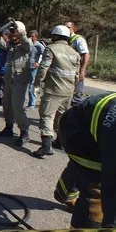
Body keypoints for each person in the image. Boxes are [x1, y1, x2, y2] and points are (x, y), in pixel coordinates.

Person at [53, 92, 116, 228]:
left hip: (87, 123)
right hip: (75, 133)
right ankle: (85, 223)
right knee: (95, 190)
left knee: (82, 167)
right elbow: (111, 186)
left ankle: (63, 192)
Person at [32, 25, 80, 157]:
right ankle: (60, 142)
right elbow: (76, 75)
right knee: (62, 117)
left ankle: (46, 146)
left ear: (56, 36)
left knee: (47, 115)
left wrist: (37, 83)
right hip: (68, 91)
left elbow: (43, 68)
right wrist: (72, 87)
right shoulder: (74, 53)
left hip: (53, 90)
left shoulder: (51, 49)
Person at [0, 21, 33, 146]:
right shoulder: (11, 45)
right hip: (9, 79)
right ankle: (8, 128)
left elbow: (28, 45)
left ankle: (24, 133)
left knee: (18, 107)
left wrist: (20, 32)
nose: (12, 35)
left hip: (20, 80)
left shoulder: (26, 45)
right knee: (7, 105)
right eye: (11, 32)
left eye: (15, 32)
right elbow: (1, 44)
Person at [65, 21, 90, 105]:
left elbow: (86, 54)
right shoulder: (63, 39)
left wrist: (82, 70)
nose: (66, 29)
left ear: (73, 28)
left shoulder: (78, 39)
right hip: (66, 70)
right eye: (65, 27)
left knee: (76, 96)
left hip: (76, 70)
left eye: (68, 27)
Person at [27, 30, 45, 109]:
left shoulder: (39, 45)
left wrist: (39, 62)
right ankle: (26, 102)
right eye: (30, 36)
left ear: (36, 37)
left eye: (32, 36)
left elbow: (45, 55)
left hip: (34, 68)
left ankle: (32, 104)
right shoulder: (28, 44)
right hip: (26, 67)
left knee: (32, 85)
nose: (31, 37)